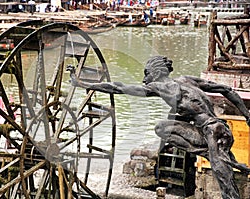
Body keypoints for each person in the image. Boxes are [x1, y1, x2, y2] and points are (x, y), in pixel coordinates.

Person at [67, 55, 250, 199]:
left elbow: (118, 87)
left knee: (222, 174)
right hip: (206, 130)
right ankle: (212, 153)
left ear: (155, 72)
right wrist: (246, 115)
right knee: (162, 127)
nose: (144, 78)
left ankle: (219, 161)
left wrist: (83, 83)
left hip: (214, 129)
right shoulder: (186, 79)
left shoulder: (159, 87)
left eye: (146, 73)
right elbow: (227, 90)